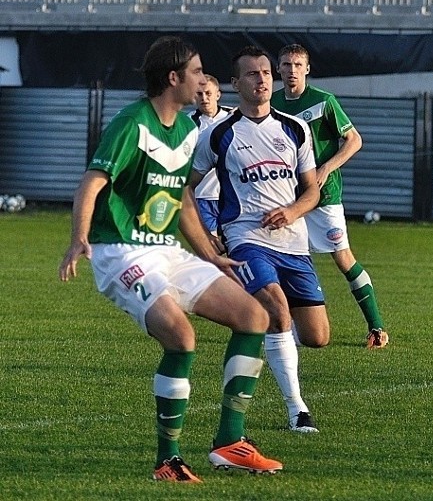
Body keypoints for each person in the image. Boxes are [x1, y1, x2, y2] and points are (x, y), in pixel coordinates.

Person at [58, 36, 282, 483]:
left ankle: (229, 443)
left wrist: (210, 256)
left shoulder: (186, 130)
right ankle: (168, 459)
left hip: (166, 250)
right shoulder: (133, 123)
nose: (204, 80)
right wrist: (79, 237)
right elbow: (93, 179)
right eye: (197, 72)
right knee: (181, 337)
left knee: (254, 316)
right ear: (174, 77)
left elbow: (181, 201)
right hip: (120, 251)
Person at [190, 45, 327, 433]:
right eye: (252, 74)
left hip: (294, 242)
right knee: (276, 308)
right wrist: (206, 234)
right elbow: (188, 187)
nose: (263, 79)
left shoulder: (295, 129)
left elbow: (312, 190)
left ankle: (276, 345)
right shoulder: (219, 134)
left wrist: (294, 212)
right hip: (245, 237)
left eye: (267, 72)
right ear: (235, 84)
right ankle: (297, 409)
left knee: (316, 337)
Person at [271, 43, 389, 349]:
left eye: (298, 65)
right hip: (289, 197)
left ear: (307, 69)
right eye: (286, 65)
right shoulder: (271, 104)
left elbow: (354, 140)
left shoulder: (324, 101)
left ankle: (376, 327)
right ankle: (291, 330)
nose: (292, 70)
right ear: (278, 69)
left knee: (343, 259)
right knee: (288, 262)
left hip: (324, 197)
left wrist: (326, 168)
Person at [190, 74, 233, 234]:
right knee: (212, 245)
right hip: (202, 196)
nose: (204, 98)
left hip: (230, 195)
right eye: (199, 94)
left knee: (233, 242)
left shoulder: (234, 117)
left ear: (218, 94)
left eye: (208, 93)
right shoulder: (187, 124)